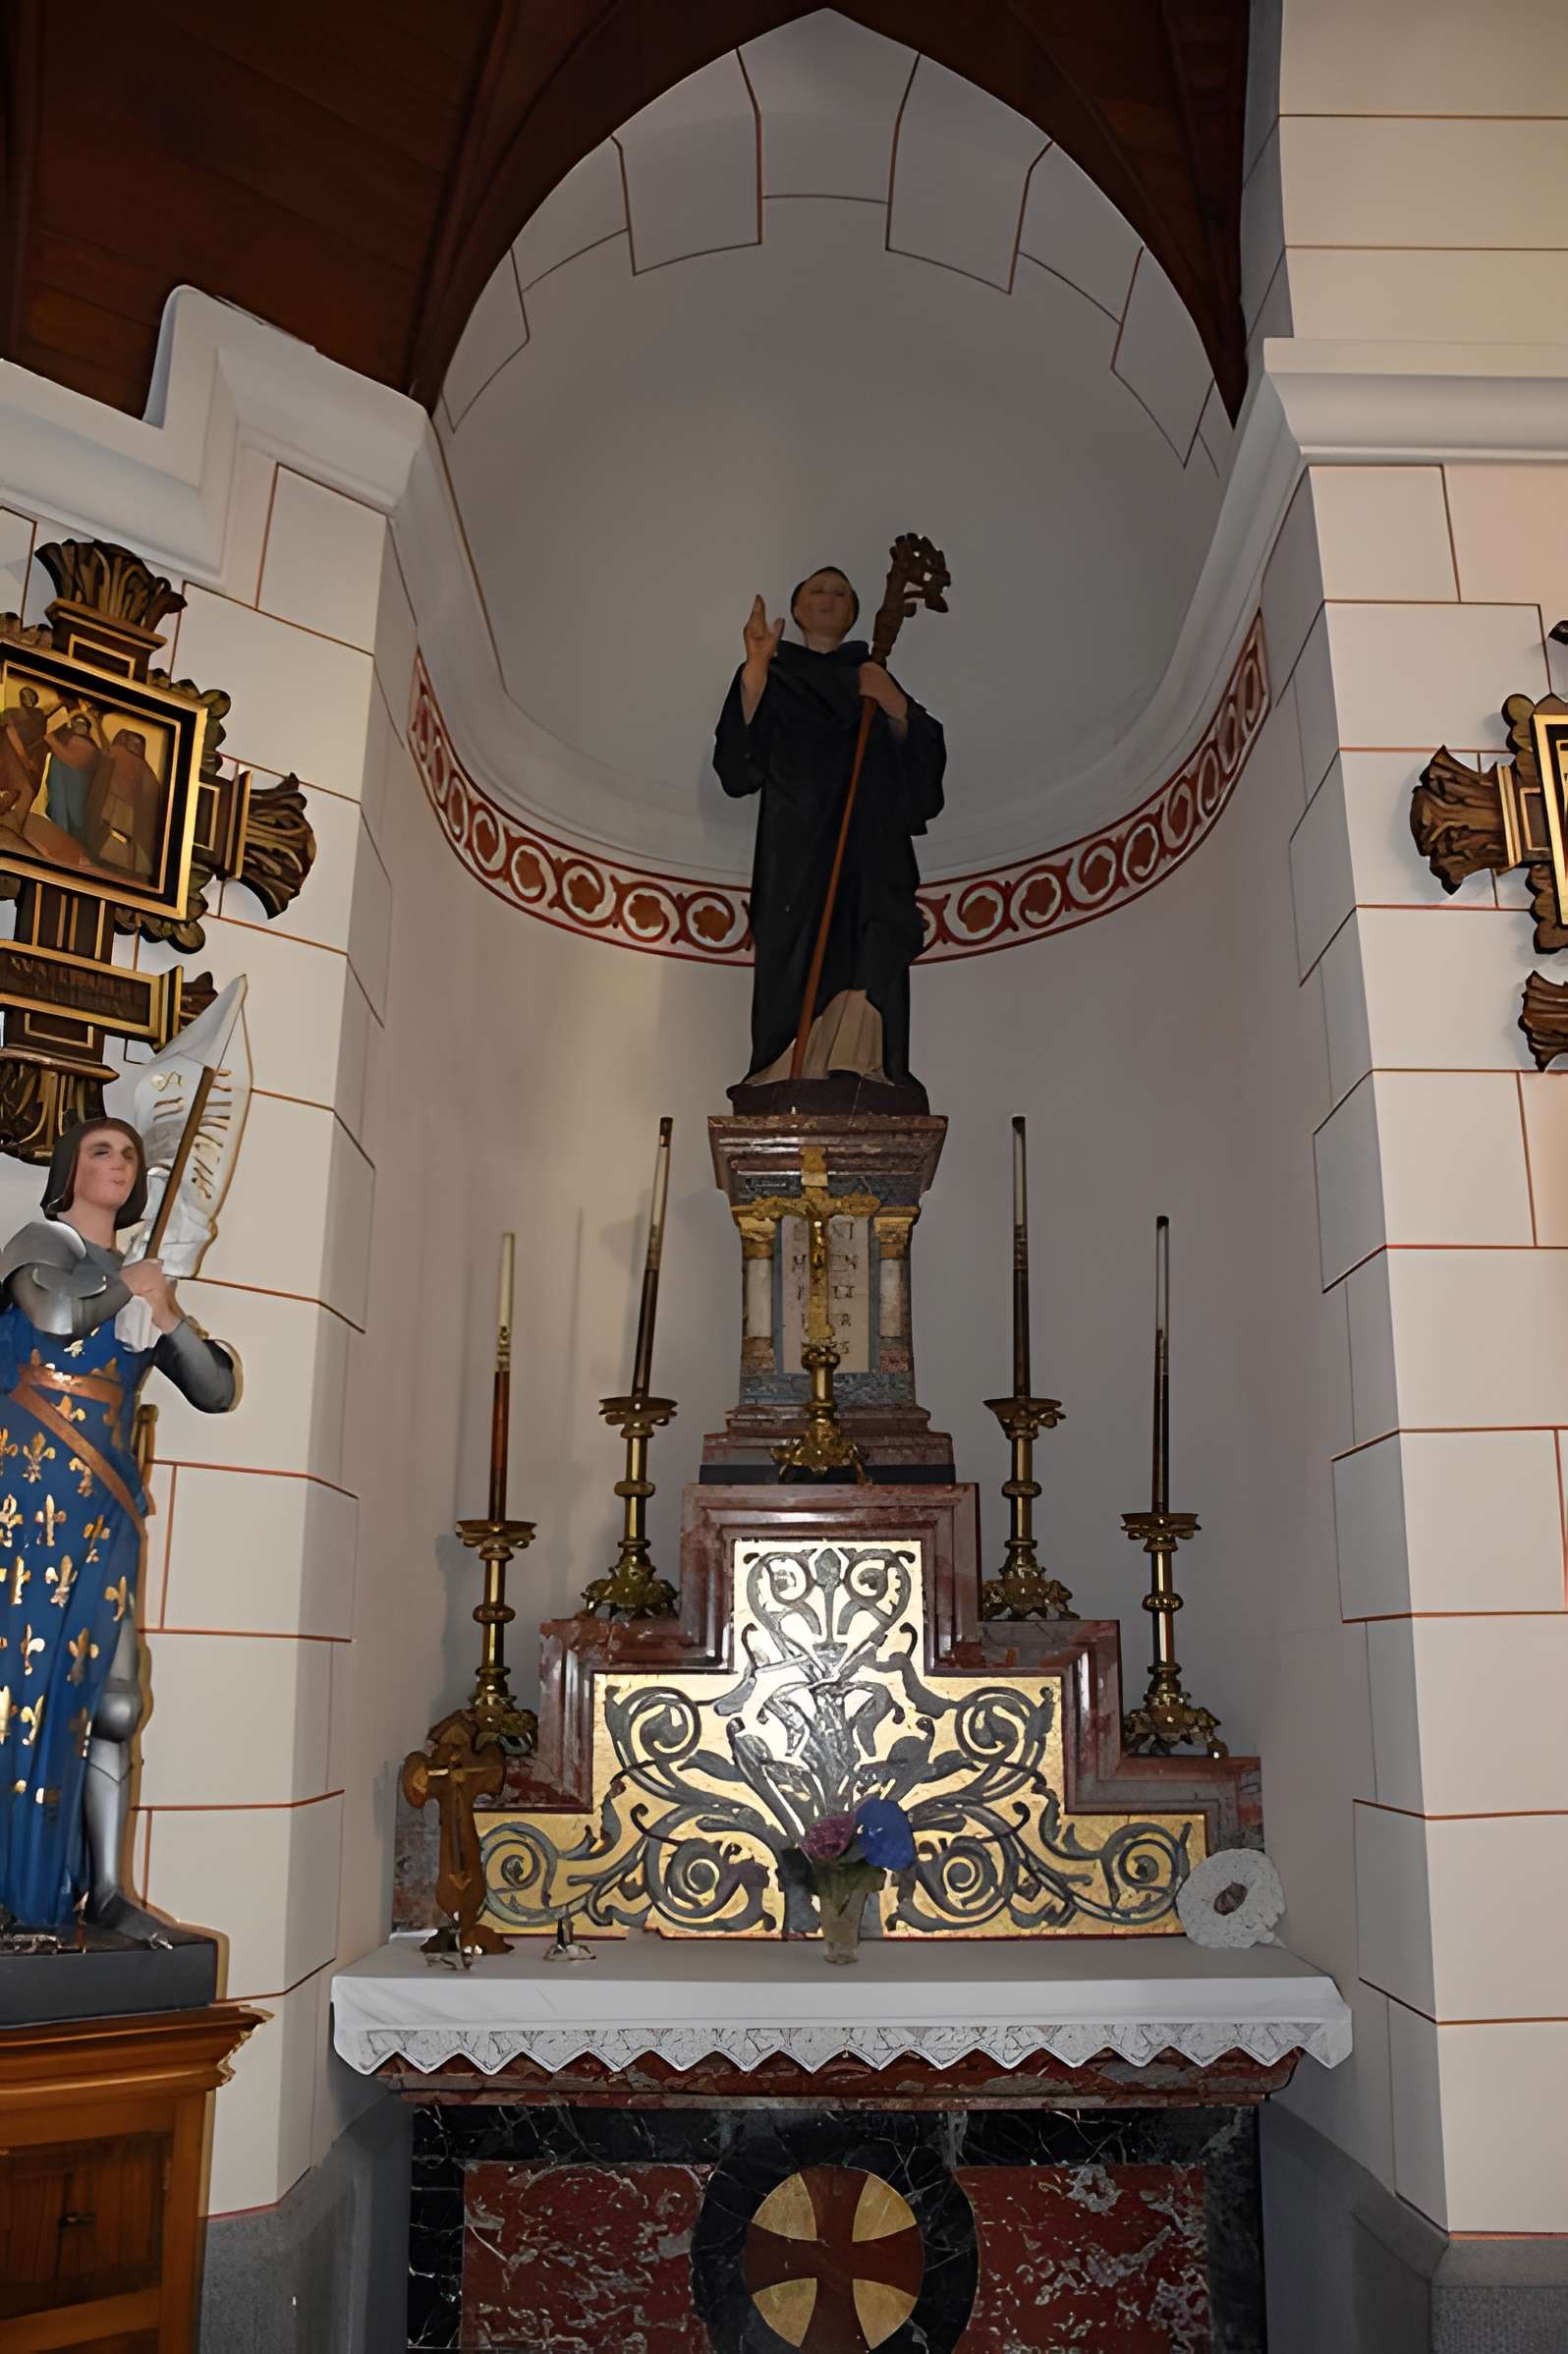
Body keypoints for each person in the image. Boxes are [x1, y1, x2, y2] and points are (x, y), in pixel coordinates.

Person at [0, 1119, 236, 1937]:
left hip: (105, 1506)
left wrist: (166, 1310)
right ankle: (16, 1890)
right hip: (26, 1507)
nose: (119, 1163)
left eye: (130, 1154)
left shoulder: (142, 1283)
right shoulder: (37, 1241)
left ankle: (104, 1889)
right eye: (101, 1149)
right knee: (19, 1696)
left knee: (116, 1701)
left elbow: (214, 1389)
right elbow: (56, 1311)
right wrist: (131, 1286)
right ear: (68, 1167)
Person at [713, 566, 945, 1098]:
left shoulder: (871, 675)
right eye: (818, 589)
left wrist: (895, 705)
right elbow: (737, 770)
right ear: (795, 609)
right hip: (794, 848)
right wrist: (754, 668)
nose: (828, 597)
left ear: (855, 612)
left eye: (840, 592)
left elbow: (923, 781)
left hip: (868, 846)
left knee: (871, 938)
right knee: (794, 949)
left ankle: (860, 1064)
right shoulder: (775, 673)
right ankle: (784, 1071)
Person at [85, 726, 161, 879]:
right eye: (133, 741)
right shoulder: (118, 753)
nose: (136, 746)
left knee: (122, 835)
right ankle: (102, 855)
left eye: (138, 743)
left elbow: (151, 791)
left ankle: (117, 862)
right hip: (114, 800)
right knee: (107, 829)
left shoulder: (142, 766)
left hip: (126, 807)